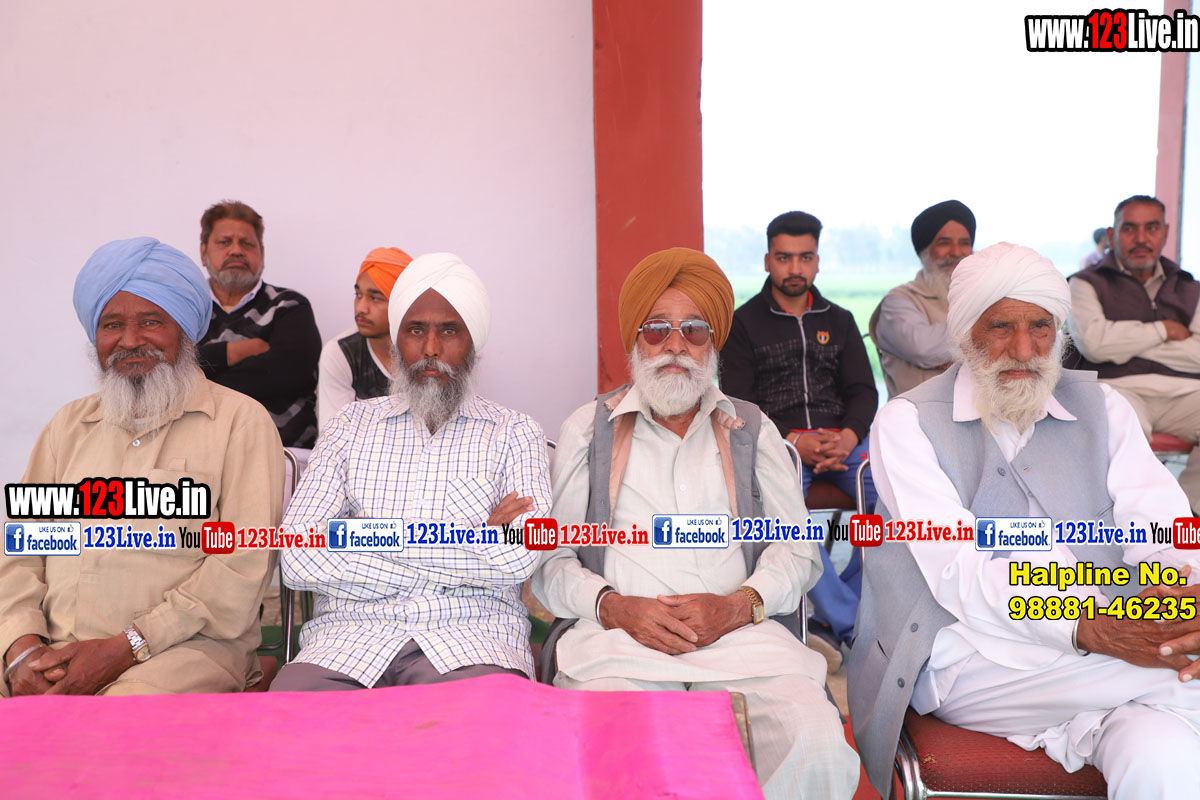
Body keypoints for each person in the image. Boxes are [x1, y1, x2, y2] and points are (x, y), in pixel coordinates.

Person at [850, 242, 1200, 799]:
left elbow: (1160, 525)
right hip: (972, 657)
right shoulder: (908, 423)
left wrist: (1178, 590)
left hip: (1114, 638)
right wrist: (1087, 626)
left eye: (1040, 327)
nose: (1023, 349)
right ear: (965, 333)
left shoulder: (1104, 408)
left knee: (1163, 756)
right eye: (1001, 327)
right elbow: (958, 572)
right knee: (1178, 674)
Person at [535, 247, 859, 800]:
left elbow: (798, 549)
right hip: (618, 646)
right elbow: (553, 556)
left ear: (713, 344)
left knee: (818, 743)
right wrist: (615, 607)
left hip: (742, 640)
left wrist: (738, 605)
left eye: (694, 330)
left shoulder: (752, 428)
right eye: (656, 329)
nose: (675, 346)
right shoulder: (588, 429)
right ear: (635, 341)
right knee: (612, 750)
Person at [1, 237, 281, 697]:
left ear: (184, 330)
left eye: (151, 322)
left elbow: (240, 570)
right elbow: (20, 552)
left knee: (117, 721)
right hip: (51, 650)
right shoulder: (67, 427)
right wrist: (22, 648)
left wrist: (125, 647)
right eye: (112, 325)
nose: (130, 341)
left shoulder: (239, 422)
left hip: (182, 652)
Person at [273, 253, 552, 691]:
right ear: (397, 339)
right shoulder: (350, 426)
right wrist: (477, 540)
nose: (431, 350)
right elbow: (297, 555)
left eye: (450, 331)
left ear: (473, 342)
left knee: (482, 726)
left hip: (472, 642)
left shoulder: (515, 432)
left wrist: (360, 539)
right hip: (345, 642)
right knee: (294, 719)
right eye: (416, 330)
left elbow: (519, 556)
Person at [720, 211, 878, 650]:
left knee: (895, 504)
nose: (795, 268)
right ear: (767, 261)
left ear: (817, 261)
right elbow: (738, 400)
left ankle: (847, 606)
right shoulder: (743, 324)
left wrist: (848, 437)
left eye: (805, 257)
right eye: (784, 258)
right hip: (778, 446)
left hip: (843, 445)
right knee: (792, 522)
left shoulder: (839, 320)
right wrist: (793, 439)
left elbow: (863, 391)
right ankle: (852, 626)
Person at [1068, 194, 1200, 514]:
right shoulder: (1084, 284)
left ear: (1165, 233)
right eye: (1130, 229)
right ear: (1112, 235)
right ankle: (1127, 523)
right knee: (1119, 429)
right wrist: (1164, 331)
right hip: (1119, 389)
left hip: (1184, 392)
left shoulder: (1191, 288)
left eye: (1151, 228)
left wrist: (1122, 342)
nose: (1141, 238)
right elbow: (1095, 345)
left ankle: (1184, 519)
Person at [196, 200, 322, 448]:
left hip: (283, 454)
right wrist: (232, 351)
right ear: (203, 252)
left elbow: (288, 374)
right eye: (224, 242)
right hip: (201, 451)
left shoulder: (289, 306)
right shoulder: (186, 311)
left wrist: (199, 376)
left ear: (261, 253)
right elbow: (167, 369)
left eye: (247, 243)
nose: (236, 251)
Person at [869, 200, 976, 397]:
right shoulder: (898, 301)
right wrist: (988, 335)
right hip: (915, 415)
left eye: (965, 243)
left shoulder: (981, 297)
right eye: (944, 243)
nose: (956, 252)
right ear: (924, 251)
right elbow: (924, 349)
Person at [317, 246, 412, 429]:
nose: (361, 308)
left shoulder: (430, 351)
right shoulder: (341, 353)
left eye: (375, 298)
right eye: (358, 295)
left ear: (402, 303)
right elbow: (333, 435)